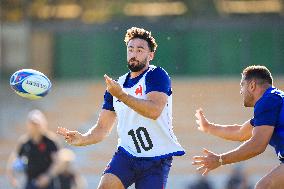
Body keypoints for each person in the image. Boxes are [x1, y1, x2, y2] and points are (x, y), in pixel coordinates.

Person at [57, 27, 185, 189]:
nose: (134, 54)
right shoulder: (116, 86)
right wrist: (83, 139)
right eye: (130, 49)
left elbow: (154, 111)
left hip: (156, 159)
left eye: (140, 50)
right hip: (127, 154)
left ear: (150, 55)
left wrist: (122, 95)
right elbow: (102, 128)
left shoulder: (156, 75)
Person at [192, 65, 284, 189]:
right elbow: (240, 132)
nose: (241, 91)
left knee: (264, 186)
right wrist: (208, 127)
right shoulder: (273, 100)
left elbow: (257, 145)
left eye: (242, 85)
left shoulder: (267, 101)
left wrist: (220, 160)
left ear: (252, 85)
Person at [6, 109, 59, 189]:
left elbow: (58, 162)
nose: (35, 127)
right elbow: (12, 161)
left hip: (48, 183)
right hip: (31, 183)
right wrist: (12, 178)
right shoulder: (24, 142)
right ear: (28, 125)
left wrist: (47, 176)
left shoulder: (50, 141)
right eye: (32, 124)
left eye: (37, 124)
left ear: (43, 124)